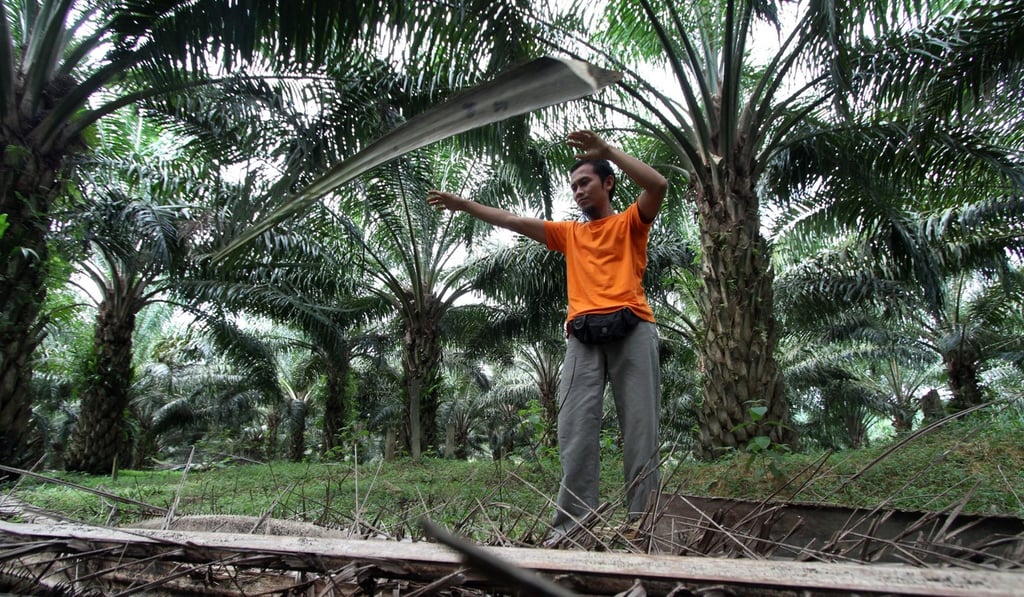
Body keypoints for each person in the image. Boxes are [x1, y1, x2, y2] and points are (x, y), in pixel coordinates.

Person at [427, 130, 667, 540]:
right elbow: (511, 220)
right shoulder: (569, 235)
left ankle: (644, 526)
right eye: (573, 186)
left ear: (607, 183)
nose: (578, 192)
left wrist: (607, 151)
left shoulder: (630, 222)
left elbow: (658, 184)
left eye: (585, 182)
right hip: (581, 336)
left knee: (641, 430)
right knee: (574, 431)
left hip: (633, 328)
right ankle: (572, 529)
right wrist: (462, 204)